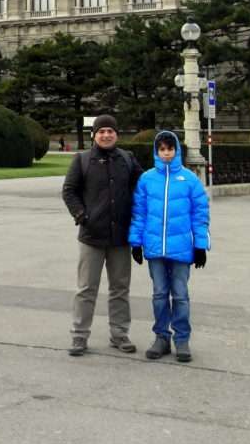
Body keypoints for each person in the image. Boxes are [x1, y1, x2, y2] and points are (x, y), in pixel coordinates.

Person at [62, 114, 143, 357]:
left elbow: (144, 187)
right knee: (86, 288)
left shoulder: (127, 160)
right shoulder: (83, 160)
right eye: (101, 131)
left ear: (117, 134)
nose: (106, 135)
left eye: (110, 131)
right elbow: (69, 191)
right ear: (94, 135)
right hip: (92, 236)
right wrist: (81, 215)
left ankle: (119, 334)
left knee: (120, 288)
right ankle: (79, 335)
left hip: (120, 237)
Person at [128, 130, 210, 363]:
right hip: (155, 248)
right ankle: (161, 337)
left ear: (176, 151)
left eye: (170, 149)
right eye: (162, 149)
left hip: (182, 248)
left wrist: (200, 245)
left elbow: (200, 213)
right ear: (156, 151)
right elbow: (139, 213)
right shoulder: (146, 179)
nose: (166, 153)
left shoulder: (190, 179)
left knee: (181, 295)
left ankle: (182, 339)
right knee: (160, 294)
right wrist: (136, 242)